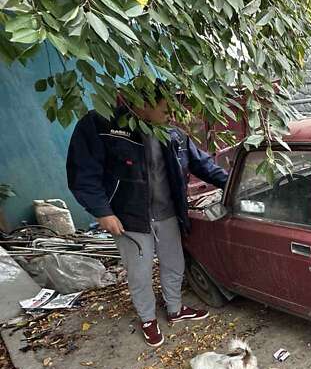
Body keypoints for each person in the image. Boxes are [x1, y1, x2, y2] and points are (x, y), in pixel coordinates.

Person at [66, 87, 229, 347]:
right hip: (129, 217)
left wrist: (232, 184)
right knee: (140, 272)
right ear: (143, 104)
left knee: (174, 263)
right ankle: (148, 319)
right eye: (166, 109)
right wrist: (102, 212)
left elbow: (203, 164)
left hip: (167, 214)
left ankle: (175, 310)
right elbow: (82, 174)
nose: (172, 115)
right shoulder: (102, 125)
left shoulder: (173, 134)